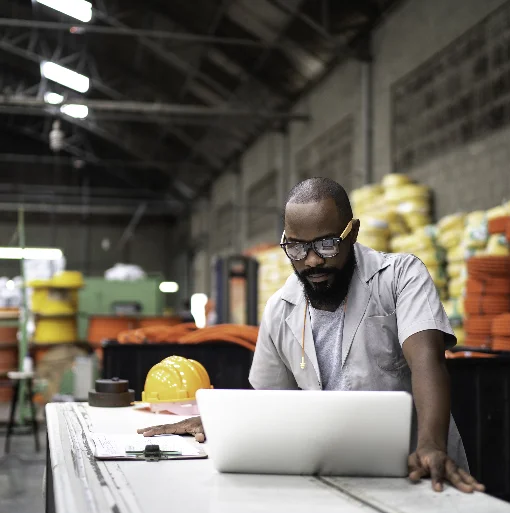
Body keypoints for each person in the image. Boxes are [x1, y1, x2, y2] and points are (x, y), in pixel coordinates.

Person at [139, 177, 484, 494]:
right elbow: (273, 404)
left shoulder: (400, 277)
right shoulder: (281, 309)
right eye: (297, 248)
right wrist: (221, 422)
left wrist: (431, 446)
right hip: (332, 476)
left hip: (417, 471)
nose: (312, 261)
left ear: (353, 232)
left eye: (327, 245)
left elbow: (427, 362)